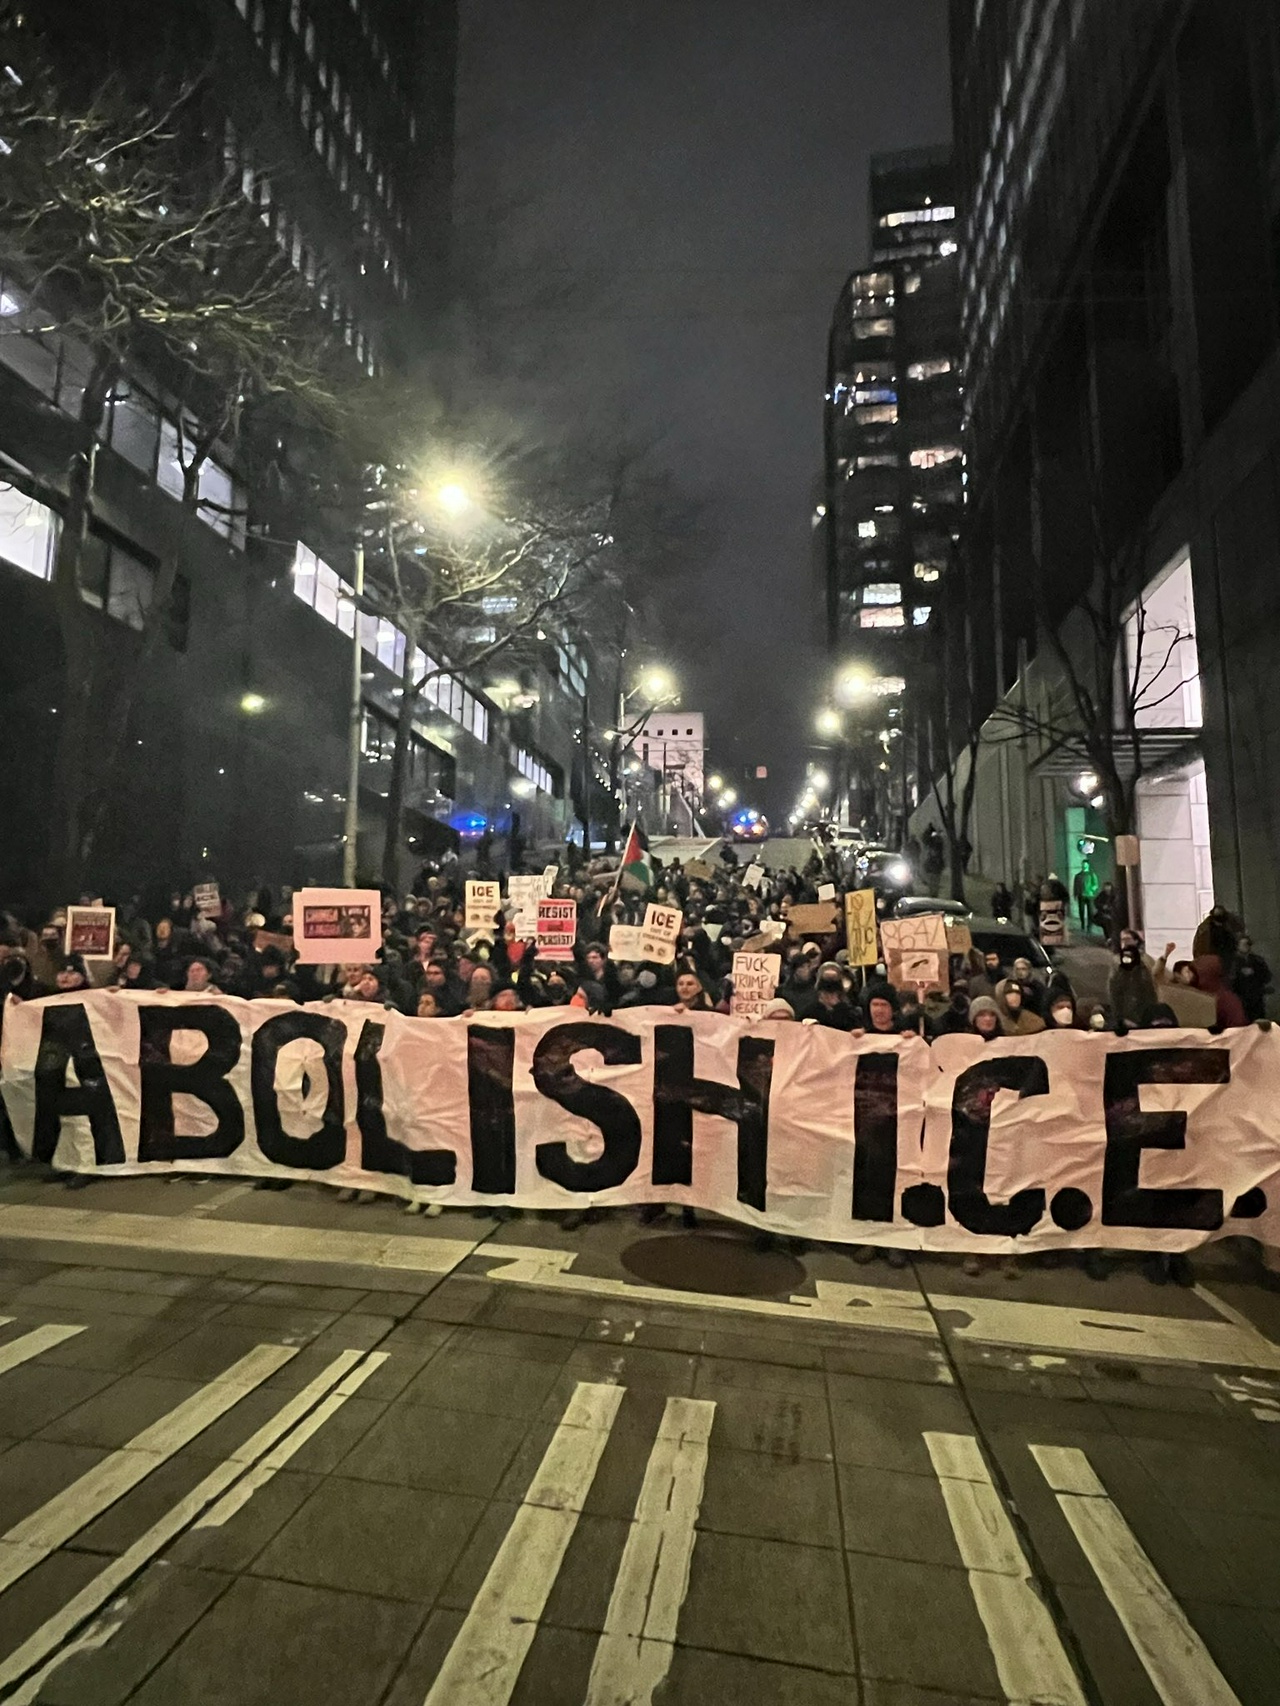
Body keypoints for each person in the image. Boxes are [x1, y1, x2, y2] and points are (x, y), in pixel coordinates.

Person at [1108, 945, 1157, 1029]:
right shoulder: (1118, 973)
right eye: (1124, 956)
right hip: (1124, 1017)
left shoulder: (1143, 972)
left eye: (1129, 956)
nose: (1126, 959)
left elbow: (1151, 994)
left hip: (1143, 1016)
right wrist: (1119, 1018)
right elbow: (1114, 995)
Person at [1231, 935, 1272, 1023]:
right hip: (1240, 998)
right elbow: (1230, 979)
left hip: (1256, 998)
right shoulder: (1233, 962)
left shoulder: (1257, 960)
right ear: (1237, 946)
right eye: (1243, 944)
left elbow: (1267, 976)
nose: (1246, 947)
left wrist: (1255, 972)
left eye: (1248, 944)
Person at [1072, 863, 1098, 931]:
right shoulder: (1078, 875)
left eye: (1085, 865)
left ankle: (1089, 926)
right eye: (1083, 865)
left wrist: (1092, 889)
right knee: (1081, 911)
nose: (1084, 866)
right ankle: (1082, 924)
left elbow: (1095, 884)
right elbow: (1075, 886)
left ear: (1088, 865)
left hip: (1089, 895)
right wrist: (1075, 894)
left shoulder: (1091, 874)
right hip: (1081, 895)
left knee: (1090, 911)